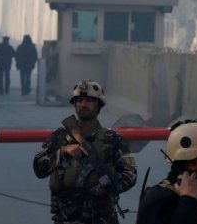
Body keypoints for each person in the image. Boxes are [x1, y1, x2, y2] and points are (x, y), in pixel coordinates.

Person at [33, 80, 137, 224]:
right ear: (75, 104)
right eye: (79, 100)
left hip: (101, 218)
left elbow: (130, 174)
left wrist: (108, 187)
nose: (83, 104)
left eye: (89, 100)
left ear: (98, 105)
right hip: (66, 218)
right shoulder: (60, 137)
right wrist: (62, 151)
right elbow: (39, 168)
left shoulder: (113, 139)